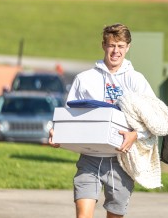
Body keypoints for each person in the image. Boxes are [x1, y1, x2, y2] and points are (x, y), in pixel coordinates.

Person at [49, 23, 157, 218]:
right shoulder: (85, 78)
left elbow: (156, 119)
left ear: (128, 48)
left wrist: (136, 135)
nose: (116, 51)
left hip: (121, 161)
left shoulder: (136, 80)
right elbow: (69, 115)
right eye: (111, 45)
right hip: (89, 158)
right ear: (103, 45)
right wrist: (57, 132)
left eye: (121, 46)